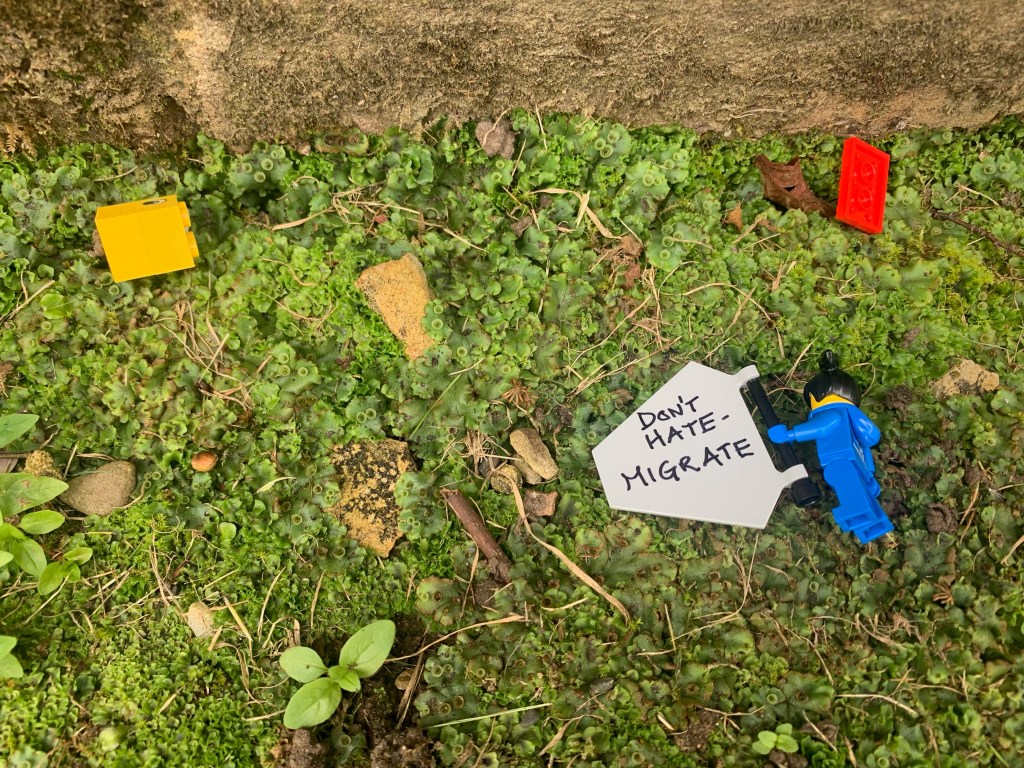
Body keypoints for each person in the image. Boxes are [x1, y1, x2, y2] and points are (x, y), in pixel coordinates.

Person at [768, 351, 893, 544]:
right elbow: (870, 437)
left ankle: (858, 516)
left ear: (814, 397)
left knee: (843, 480)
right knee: (858, 486)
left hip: (839, 458)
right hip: (856, 458)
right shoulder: (851, 414)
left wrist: (790, 435)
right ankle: (874, 518)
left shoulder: (833, 413)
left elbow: (822, 427)